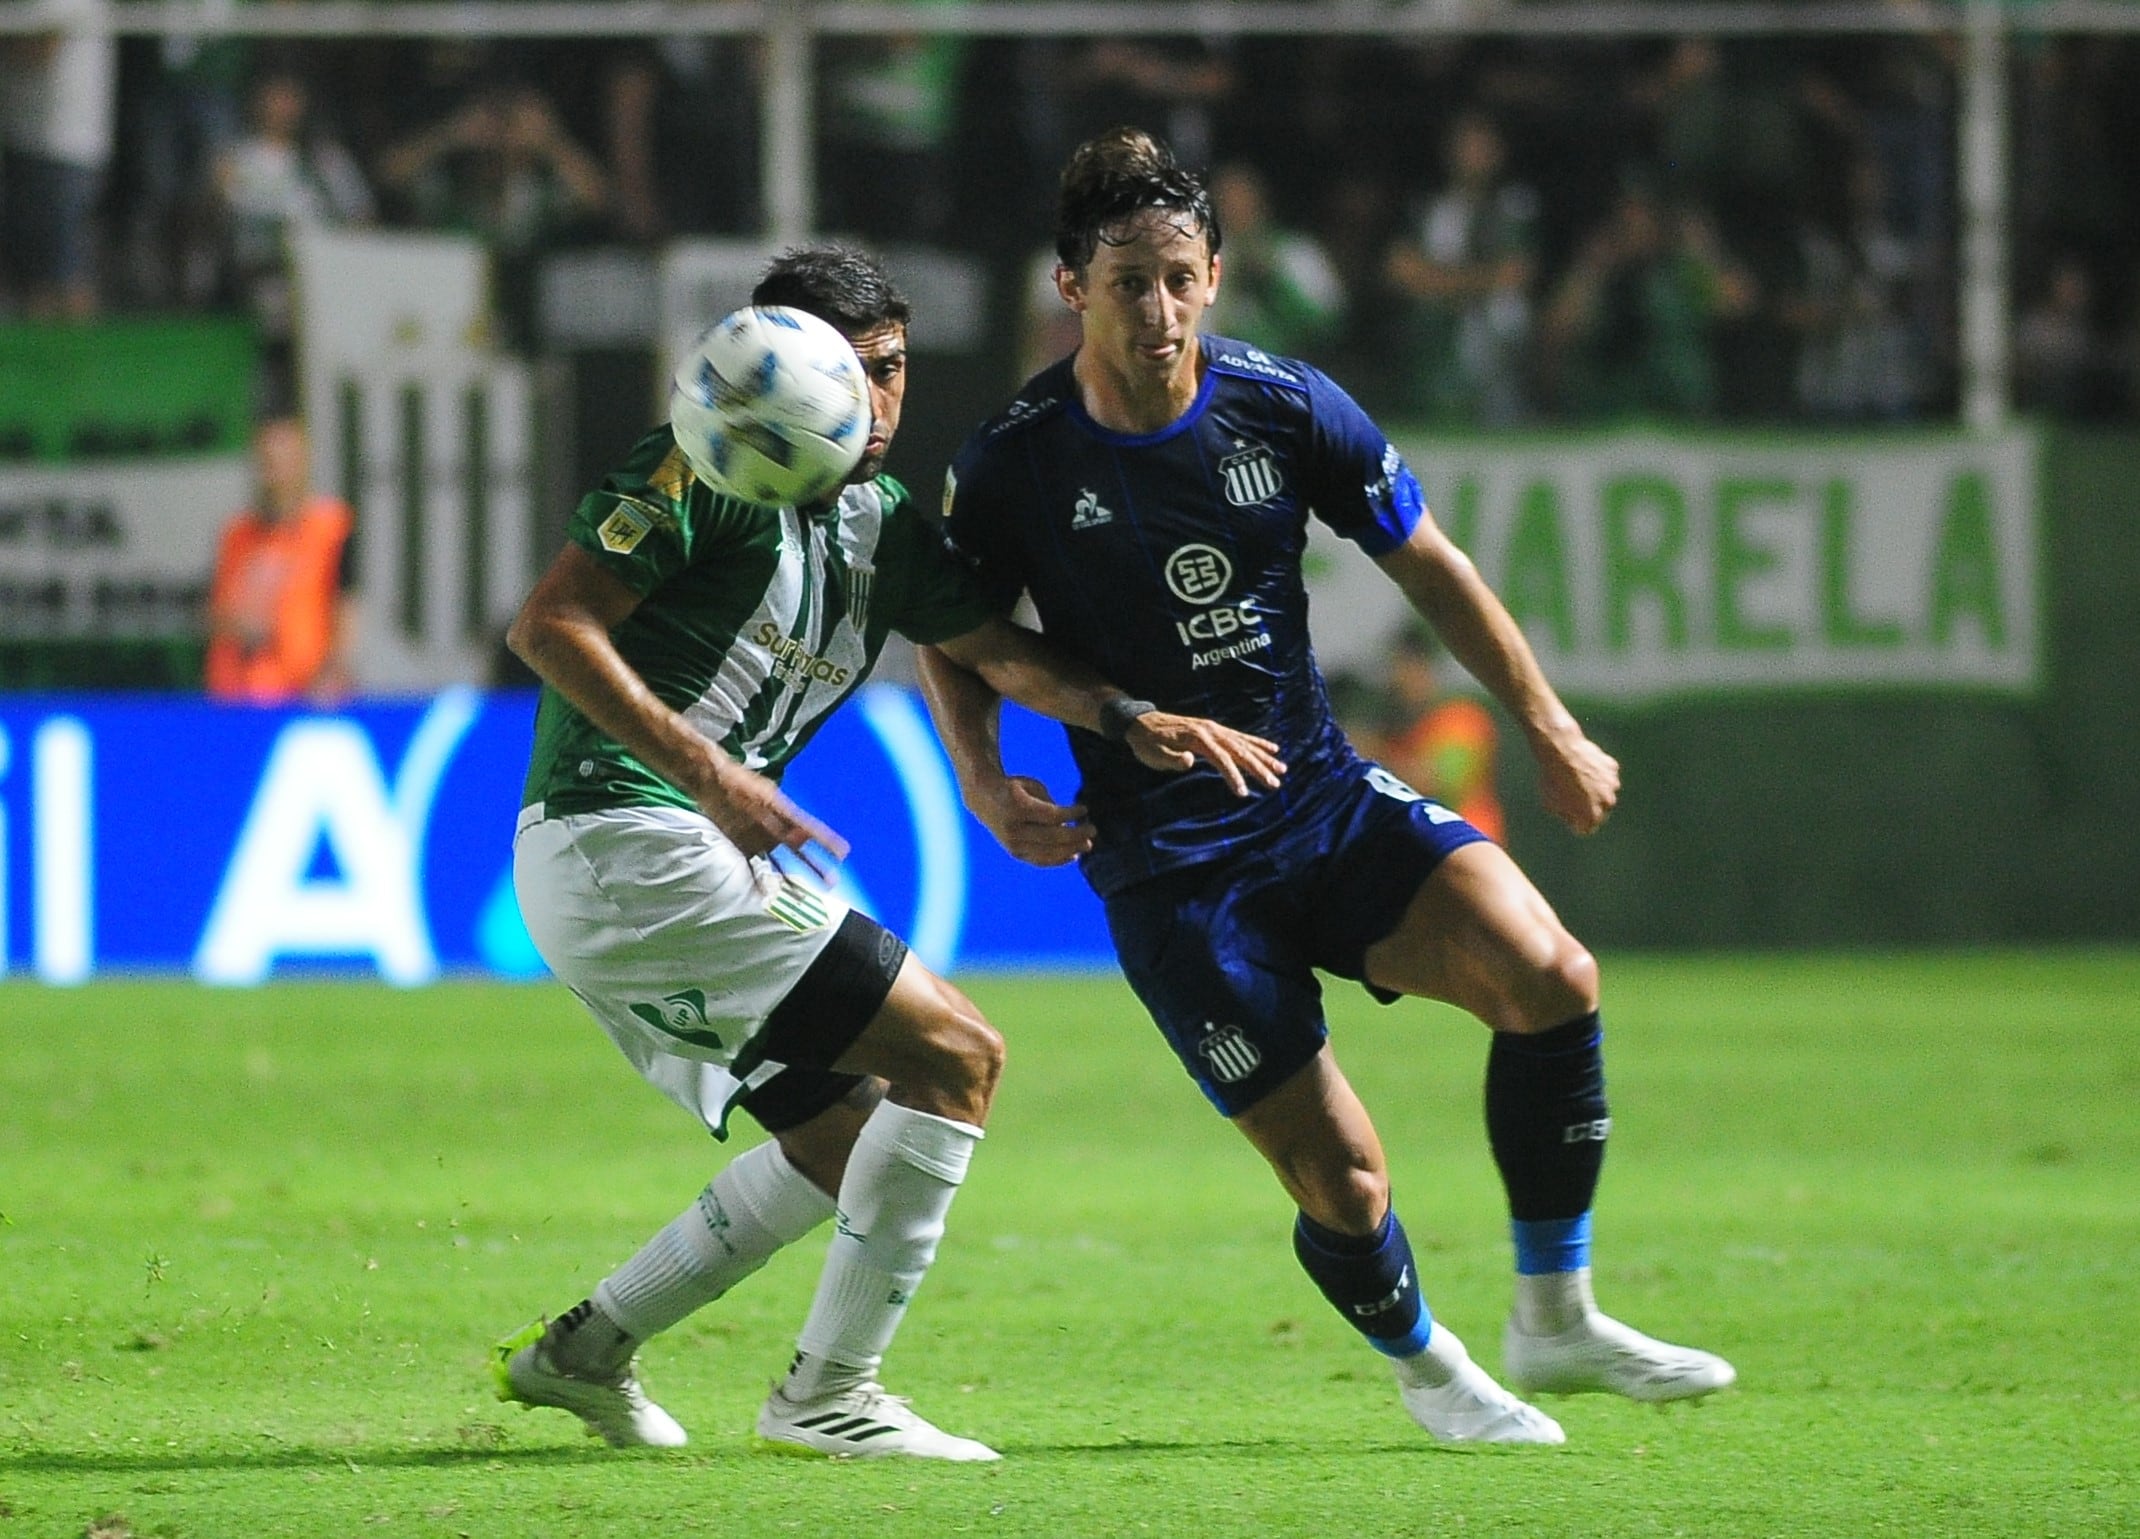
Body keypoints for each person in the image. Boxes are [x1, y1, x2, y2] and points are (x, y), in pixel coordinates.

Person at [916, 128, 1734, 1447]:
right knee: (1344, 1176)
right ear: (1074, 289)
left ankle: (1558, 1312)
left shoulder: (1284, 403)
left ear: (1217, 275)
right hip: (1173, 865)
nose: (1161, 310)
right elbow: (950, 626)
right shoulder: (1015, 458)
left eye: (1182, 278)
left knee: (1553, 973)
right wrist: (981, 777)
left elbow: (1433, 564)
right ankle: (1430, 1366)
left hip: (1321, 800)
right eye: (1130, 283)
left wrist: (1548, 722)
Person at [494, 243, 1280, 1461]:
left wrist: (1124, 716)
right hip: (627, 835)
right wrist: (712, 774)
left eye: (894, 370)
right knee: (959, 1054)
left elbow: (988, 647)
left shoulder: (881, 521)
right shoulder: (696, 467)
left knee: (842, 1141)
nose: (879, 403)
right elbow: (548, 624)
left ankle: (583, 1355)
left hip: (660, 864)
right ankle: (828, 1396)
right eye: (851, 374)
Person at [204, 416, 356, 704]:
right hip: (238, 695)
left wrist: (334, 670)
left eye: (284, 460)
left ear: (303, 462)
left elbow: (347, 606)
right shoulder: (237, 536)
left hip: (304, 692)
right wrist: (237, 623)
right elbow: (216, 609)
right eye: (267, 461)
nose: (275, 472)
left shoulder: (330, 528)